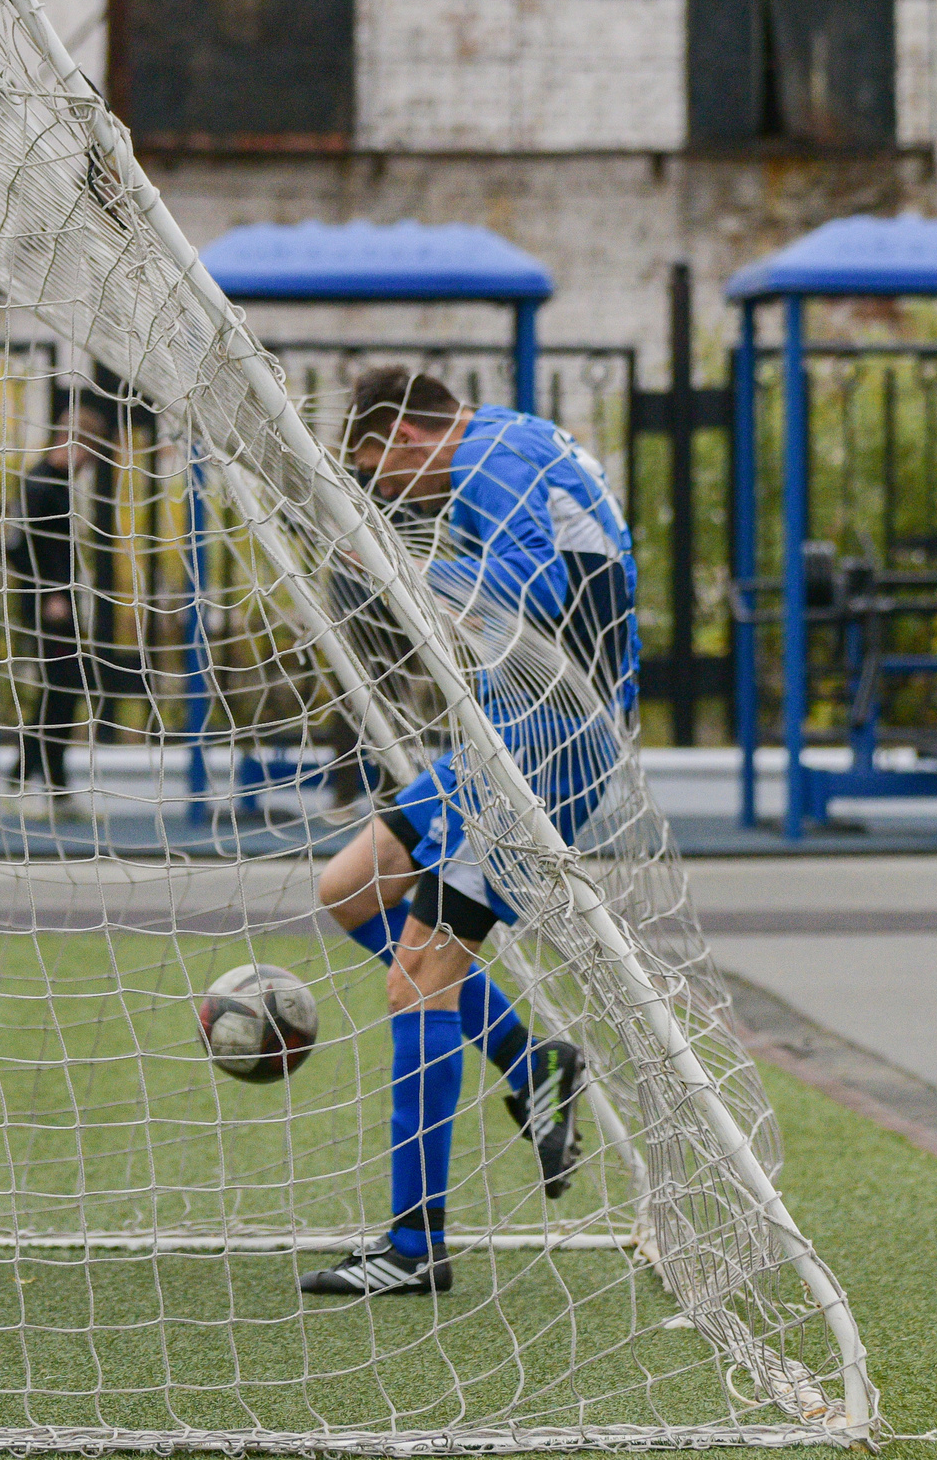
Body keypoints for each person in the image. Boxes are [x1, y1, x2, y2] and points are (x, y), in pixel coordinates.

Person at [298, 367, 634, 1298]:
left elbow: (530, 586)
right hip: (507, 733)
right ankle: (532, 1061)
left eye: (381, 474)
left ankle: (415, 1246)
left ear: (406, 435)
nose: (394, 497)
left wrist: (405, 572)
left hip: (546, 744)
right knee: (350, 888)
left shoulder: (488, 459)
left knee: (419, 973)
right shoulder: (514, 435)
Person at [13, 396, 107, 813]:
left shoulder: (53, 483)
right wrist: (50, 593)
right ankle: (47, 780)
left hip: (57, 599)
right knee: (62, 687)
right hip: (47, 604)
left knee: (64, 686)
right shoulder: (40, 485)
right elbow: (20, 547)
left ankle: (30, 772)